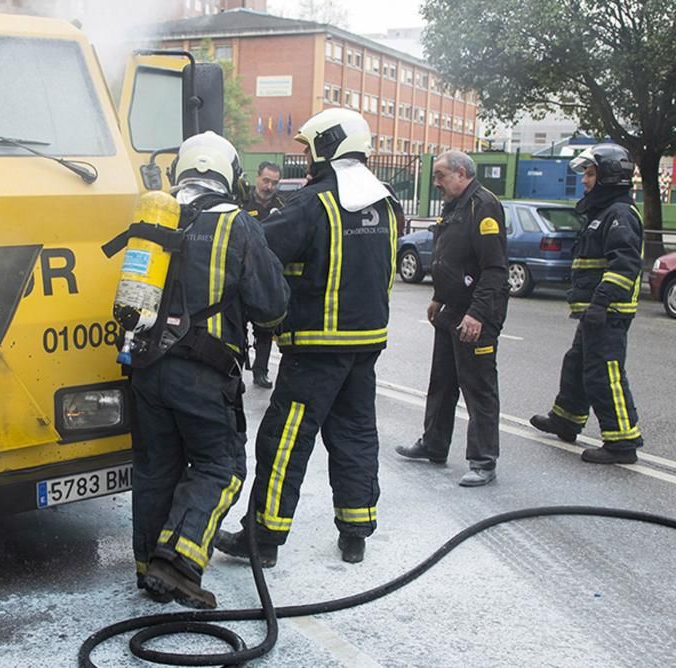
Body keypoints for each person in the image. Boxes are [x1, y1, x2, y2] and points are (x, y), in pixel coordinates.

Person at [215, 108, 402, 566]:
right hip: (365, 346)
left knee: (284, 442)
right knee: (356, 435)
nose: (305, 156)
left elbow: (254, 247)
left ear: (327, 145)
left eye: (308, 147)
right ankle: (355, 534)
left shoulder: (312, 203)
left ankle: (263, 539)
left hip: (315, 350)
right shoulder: (386, 202)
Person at [128, 132, 289, 609]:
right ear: (231, 175)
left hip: (145, 366)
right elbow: (271, 306)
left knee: (158, 468)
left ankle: (147, 569)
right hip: (200, 372)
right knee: (222, 467)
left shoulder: (155, 215)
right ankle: (177, 563)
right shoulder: (236, 224)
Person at [394, 151, 509, 487]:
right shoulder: (454, 205)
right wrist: (439, 297)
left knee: (478, 388)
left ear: (461, 173)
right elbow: (451, 257)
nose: (437, 182)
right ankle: (434, 444)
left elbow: (494, 269)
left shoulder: (483, 206)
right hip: (451, 309)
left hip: (477, 314)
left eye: (442, 175)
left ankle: (483, 461)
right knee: (442, 382)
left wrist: (477, 314)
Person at [529, 144, 644, 463]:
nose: (585, 181)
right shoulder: (605, 213)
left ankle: (622, 442)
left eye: (591, 174)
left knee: (604, 373)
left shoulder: (619, 214)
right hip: (595, 311)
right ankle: (566, 419)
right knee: (577, 364)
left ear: (609, 177)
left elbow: (624, 265)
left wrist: (601, 303)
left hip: (608, 311)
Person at [243, 161, 287, 389]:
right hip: (242, 269)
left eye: (274, 183)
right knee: (237, 322)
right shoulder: (241, 202)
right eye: (266, 180)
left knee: (265, 326)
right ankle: (235, 369)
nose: (269, 186)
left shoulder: (282, 205)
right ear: (257, 178)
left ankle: (260, 371)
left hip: (267, 273)